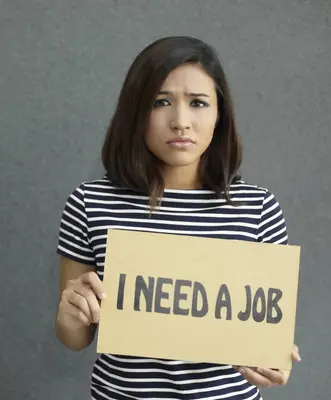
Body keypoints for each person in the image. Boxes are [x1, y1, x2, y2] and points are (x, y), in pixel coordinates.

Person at [54, 36, 301, 400]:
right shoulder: (90, 202)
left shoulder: (258, 207)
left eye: (199, 103)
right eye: (161, 102)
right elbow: (75, 338)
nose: (181, 122)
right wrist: (70, 316)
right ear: (136, 111)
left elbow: (268, 337)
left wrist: (275, 359)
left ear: (220, 115)